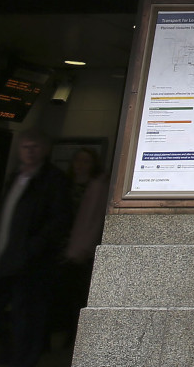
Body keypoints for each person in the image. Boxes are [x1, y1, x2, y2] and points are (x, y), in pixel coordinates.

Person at [0, 128, 72, 367]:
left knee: (26, 318)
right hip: (1, 256)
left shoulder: (53, 179)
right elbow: (1, 216)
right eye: (25, 147)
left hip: (29, 261)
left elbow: (59, 219)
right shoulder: (16, 177)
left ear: (45, 150)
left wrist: (35, 247)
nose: (29, 152)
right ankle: (4, 353)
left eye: (35, 147)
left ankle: (19, 360)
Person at [56, 147, 108, 343]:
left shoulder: (96, 187)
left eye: (86, 161)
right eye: (78, 160)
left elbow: (94, 220)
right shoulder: (65, 184)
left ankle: (72, 334)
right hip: (61, 242)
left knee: (75, 293)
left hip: (82, 247)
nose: (80, 165)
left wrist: (86, 246)